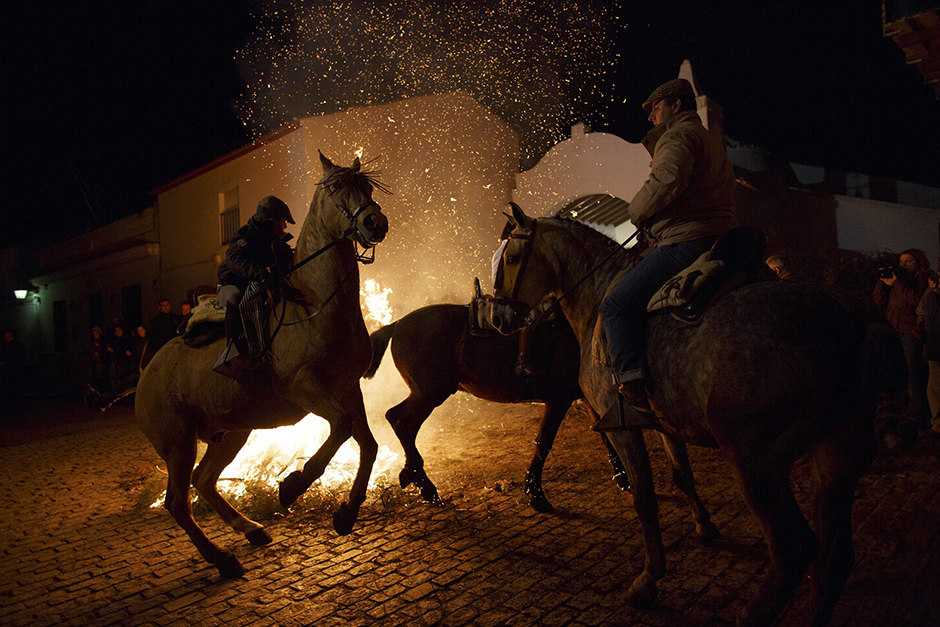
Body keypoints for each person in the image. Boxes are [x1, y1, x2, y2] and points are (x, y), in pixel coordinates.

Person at [594, 78, 738, 430]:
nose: (651, 117)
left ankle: (633, 394)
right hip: (719, 236)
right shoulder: (709, 139)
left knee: (615, 305)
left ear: (675, 105)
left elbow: (667, 181)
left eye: (656, 108)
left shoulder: (677, 136)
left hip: (686, 239)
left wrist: (637, 211)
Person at [216, 195, 295, 359]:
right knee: (235, 296)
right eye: (282, 221)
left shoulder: (276, 243)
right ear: (271, 220)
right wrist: (261, 273)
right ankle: (231, 352)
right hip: (234, 283)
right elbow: (235, 260)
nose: (285, 226)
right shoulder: (246, 236)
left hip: (258, 283)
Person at [875, 248, 931, 427]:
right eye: (901, 262)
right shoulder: (899, 280)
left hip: (910, 332)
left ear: (918, 263)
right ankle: (895, 410)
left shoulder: (922, 278)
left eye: (908, 261)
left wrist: (896, 283)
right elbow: (879, 300)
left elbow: (917, 300)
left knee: (914, 373)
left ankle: (917, 415)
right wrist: (882, 282)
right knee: (894, 370)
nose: (903, 265)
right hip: (893, 330)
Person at [916, 273, 940, 436]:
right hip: (935, 342)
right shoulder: (929, 292)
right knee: (934, 388)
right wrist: (919, 324)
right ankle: (938, 425)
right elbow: (922, 311)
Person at [0, 329, 27, 414]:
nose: (6, 338)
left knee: (16, 390)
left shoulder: (17, 346)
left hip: (15, 372)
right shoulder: (3, 346)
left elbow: (19, 359)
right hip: (5, 373)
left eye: (9, 336)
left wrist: (7, 363)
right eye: (5, 336)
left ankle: (17, 408)